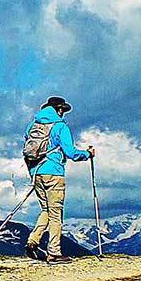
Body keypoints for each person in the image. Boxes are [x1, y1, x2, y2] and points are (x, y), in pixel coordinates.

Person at [23, 96, 93, 263]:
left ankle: (33, 242)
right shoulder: (60, 127)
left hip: (36, 172)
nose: (63, 113)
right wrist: (87, 154)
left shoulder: (33, 125)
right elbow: (71, 153)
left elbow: (28, 144)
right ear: (59, 109)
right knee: (56, 214)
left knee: (46, 210)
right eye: (63, 110)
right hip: (54, 172)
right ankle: (54, 253)